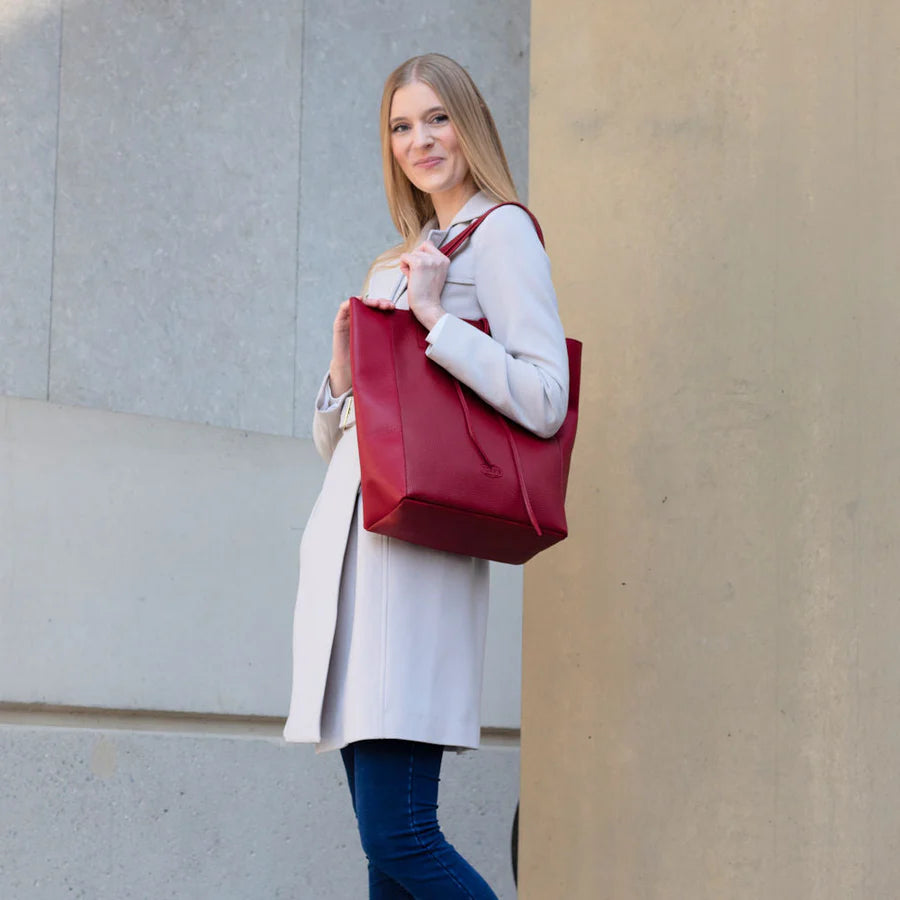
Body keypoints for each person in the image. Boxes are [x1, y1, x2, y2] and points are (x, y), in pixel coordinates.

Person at [283, 52, 570, 899]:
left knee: (402, 837)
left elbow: (546, 398)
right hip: (354, 569)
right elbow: (348, 453)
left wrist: (438, 318)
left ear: (468, 124)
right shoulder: (399, 260)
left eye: (438, 118)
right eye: (402, 126)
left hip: (415, 577)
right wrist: (341, 378)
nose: (421, 140)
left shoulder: (503, 234)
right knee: (387, 859)